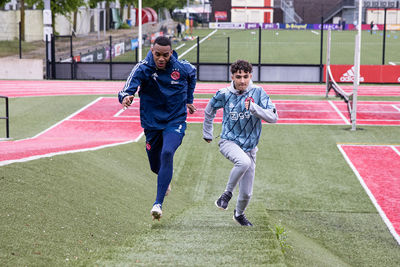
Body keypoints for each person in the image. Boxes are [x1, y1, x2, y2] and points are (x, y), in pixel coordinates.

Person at [118, 36, 197, 221]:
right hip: (152, 122)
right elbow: (127, 89)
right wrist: (125, 97)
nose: (161, 59)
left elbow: (192, 74)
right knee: (156, 165)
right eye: (157, 55)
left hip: (174, 120)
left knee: (167, 153)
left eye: (166, 55)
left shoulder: (181, 67)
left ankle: (158, 204)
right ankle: (164, 181)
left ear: (171, 53)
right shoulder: (143, 67)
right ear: (152, 52)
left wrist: (189, 99)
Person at [203, 60, 278, 226]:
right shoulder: (223, 94)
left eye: (245, 76)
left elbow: (273, 117)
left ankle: (238, 214)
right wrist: (207, 133)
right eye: (238, 77)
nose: (242, 80)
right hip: (228, 141)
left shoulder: (259, 93)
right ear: (232, 77)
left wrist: (254, 108)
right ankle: (226, 195)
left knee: (246, 194)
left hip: (250, 148)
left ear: (251, 76)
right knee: (242, 162)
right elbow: (209, 110)